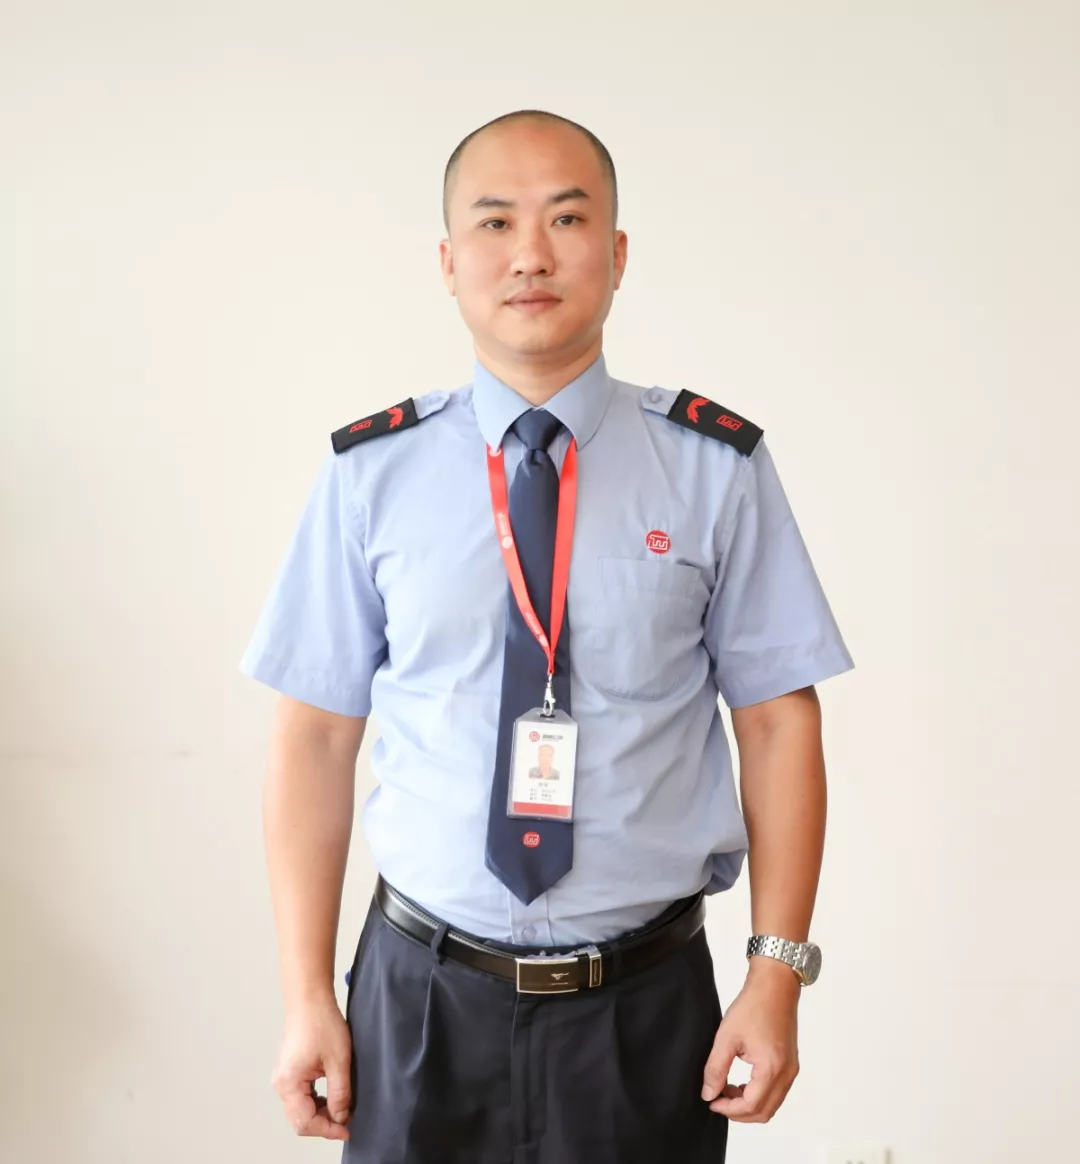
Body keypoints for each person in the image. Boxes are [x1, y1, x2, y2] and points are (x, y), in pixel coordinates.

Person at [240, 108, 855, 1164]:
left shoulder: (714, 470)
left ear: (617, 254)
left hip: (642, 1009)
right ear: (448, 262)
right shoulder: (371, 476)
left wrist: (776, 974)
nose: (530, 254)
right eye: (495, 223)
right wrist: (305, 995)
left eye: (567, 219)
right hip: (419, 999)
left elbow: (776, 722)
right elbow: (316, 738)